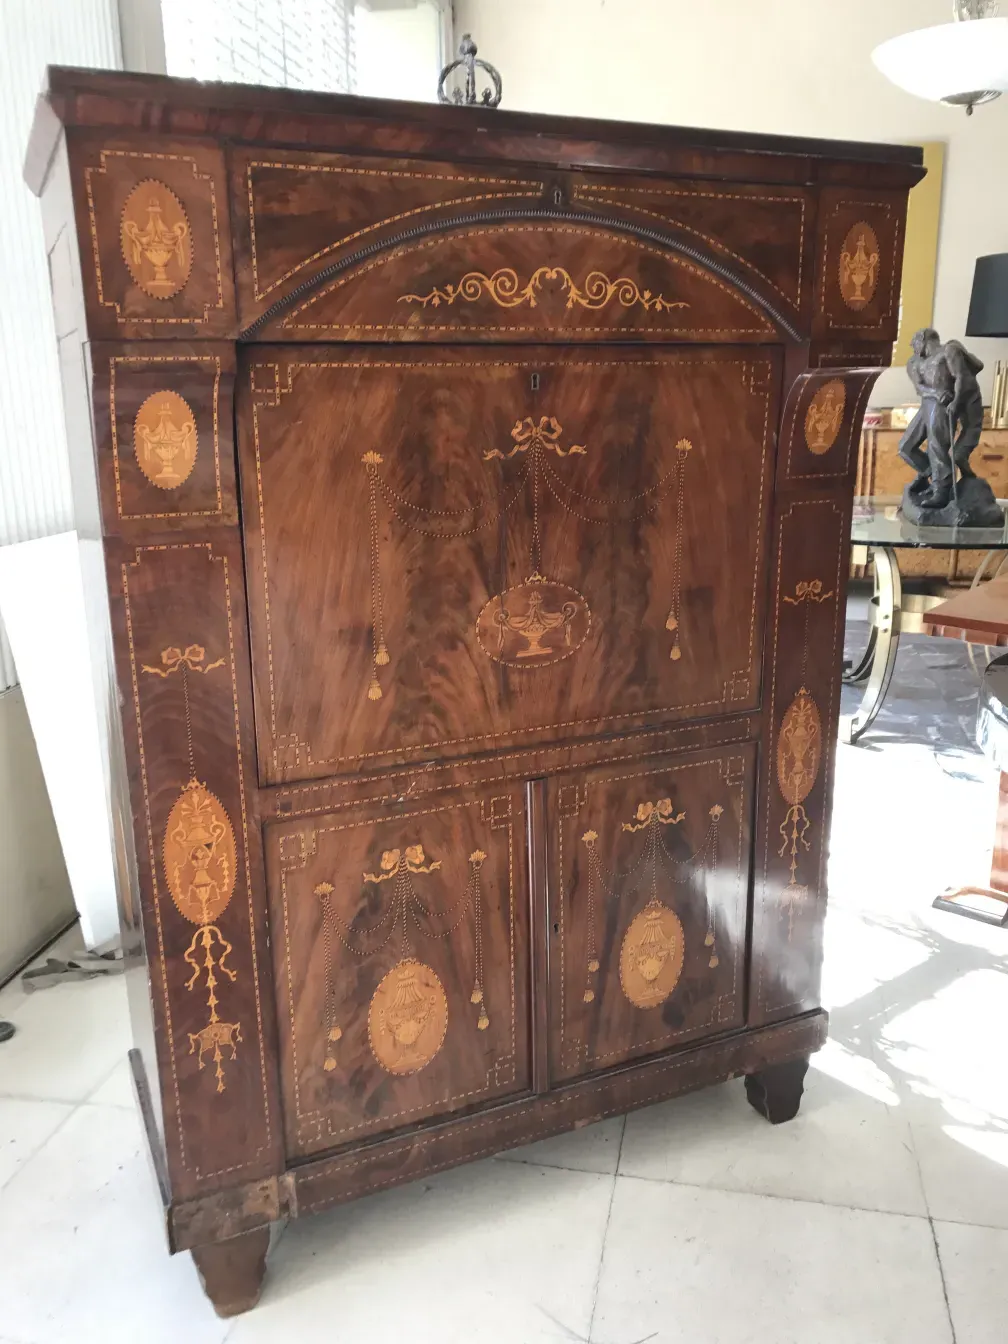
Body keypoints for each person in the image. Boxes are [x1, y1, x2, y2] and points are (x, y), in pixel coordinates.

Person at [898, 327, 984, 510]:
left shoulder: (948, 351)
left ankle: (941, 491)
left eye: (914, 343)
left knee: (936, 446)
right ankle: (932, 475)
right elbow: (919, 388)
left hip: (942, 407)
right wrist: (936, 393)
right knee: (905, 447)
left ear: (922, 339)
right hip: (928, 403)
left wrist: (955, 401)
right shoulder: (913, 362)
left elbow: (960, 376)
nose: (912, 347)